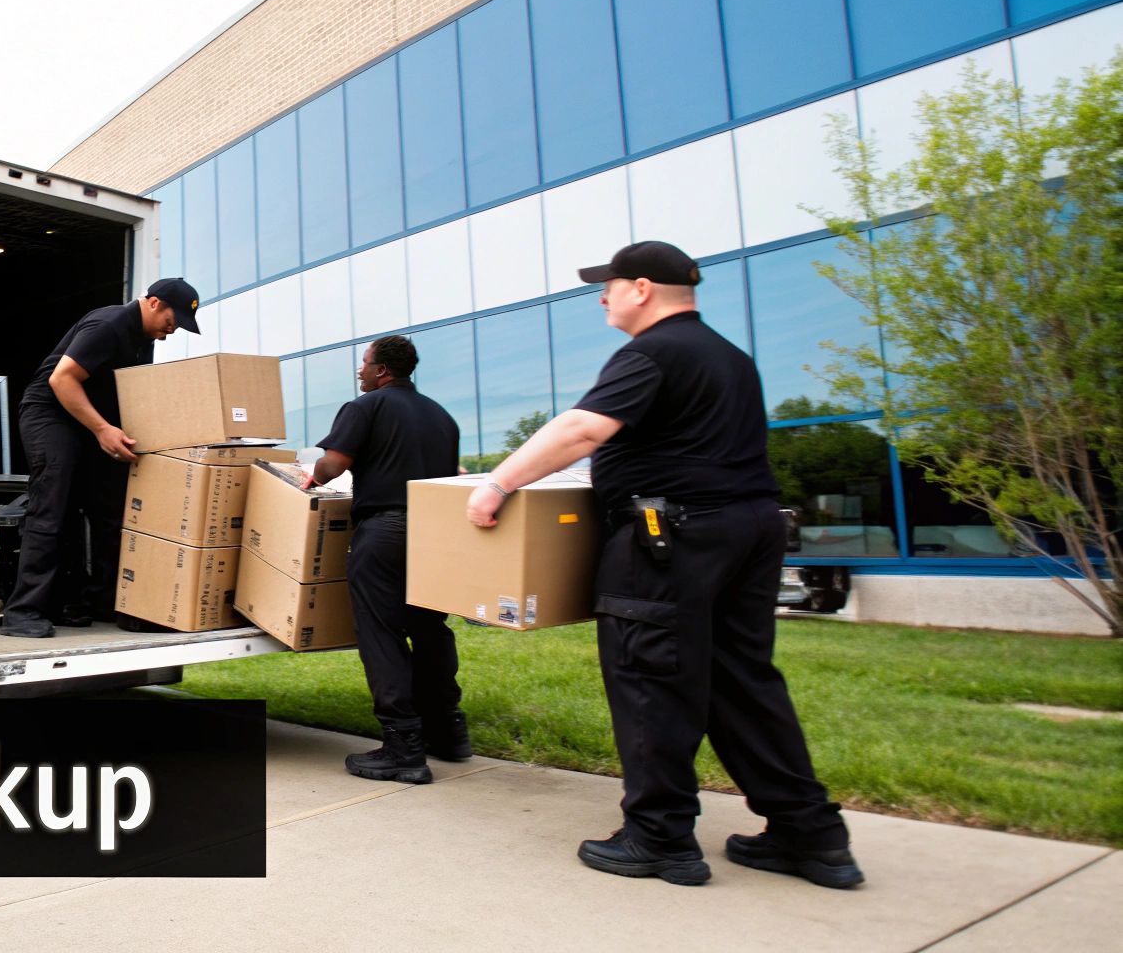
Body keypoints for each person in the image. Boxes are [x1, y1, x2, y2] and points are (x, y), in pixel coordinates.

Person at [464, 241, 862, 889]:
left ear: (642, 288)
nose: (602, 296)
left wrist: (497, 484)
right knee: (742, 683)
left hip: (669, 538)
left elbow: (580, 431)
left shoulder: (653, 352)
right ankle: (810, 836)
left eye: (609, 285)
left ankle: (658, 837)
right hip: (750, 527)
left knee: (652, 675)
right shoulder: (731, 359)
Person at [304, 335, 466, 784]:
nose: (360, 371)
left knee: (381, 632)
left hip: (385, 531)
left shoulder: (365, 408)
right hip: (433, 532)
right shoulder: (442, 417)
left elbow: (333, 466)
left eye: (364, 363)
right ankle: (449, 731)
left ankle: (403, 748)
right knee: (430, 627)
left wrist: (312, 476)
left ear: (382, 371)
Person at [0, 279, 200, 639]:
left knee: (112, 509)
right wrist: (103, 430)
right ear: (154, 302)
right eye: (173, 319)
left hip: (93, 422)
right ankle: (24, 611)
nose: (173, 329)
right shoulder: (108, 324)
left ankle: (105, 600)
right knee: (53, 505)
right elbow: (63, 380)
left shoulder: (144, 340)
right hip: (51, 413)